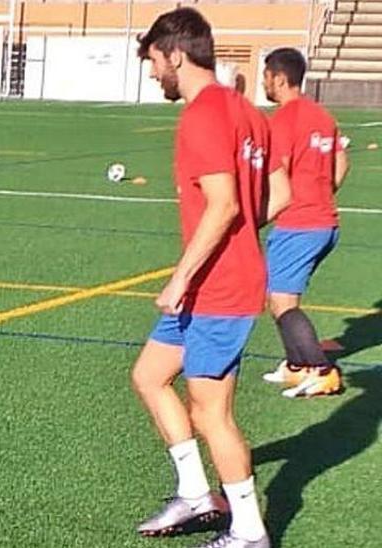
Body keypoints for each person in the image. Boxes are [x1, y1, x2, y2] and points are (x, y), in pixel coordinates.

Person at [128, 8, 285, 548]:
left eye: (152, 61)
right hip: (215, 282)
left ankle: (248, 531)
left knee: (210, 412)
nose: (152, 74)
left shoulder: (202, 115)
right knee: (150, 376)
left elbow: (222, 207)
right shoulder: (248, 111)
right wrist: (235, 233)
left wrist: (180, 277)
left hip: (219, 289)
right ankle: (196, 494)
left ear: (175, 54)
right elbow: (276, 196)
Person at [259, 47, 349, 398]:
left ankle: (323, 370)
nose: (264, 82)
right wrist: (323, 194)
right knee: (281, 298)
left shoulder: (281, 121)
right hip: (324, 222)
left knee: (282, 303)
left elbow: (275, 174)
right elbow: (341, 163)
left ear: (279, 79)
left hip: (299, 224)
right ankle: (297, 366)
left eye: (266, 75)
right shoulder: (323, 116)